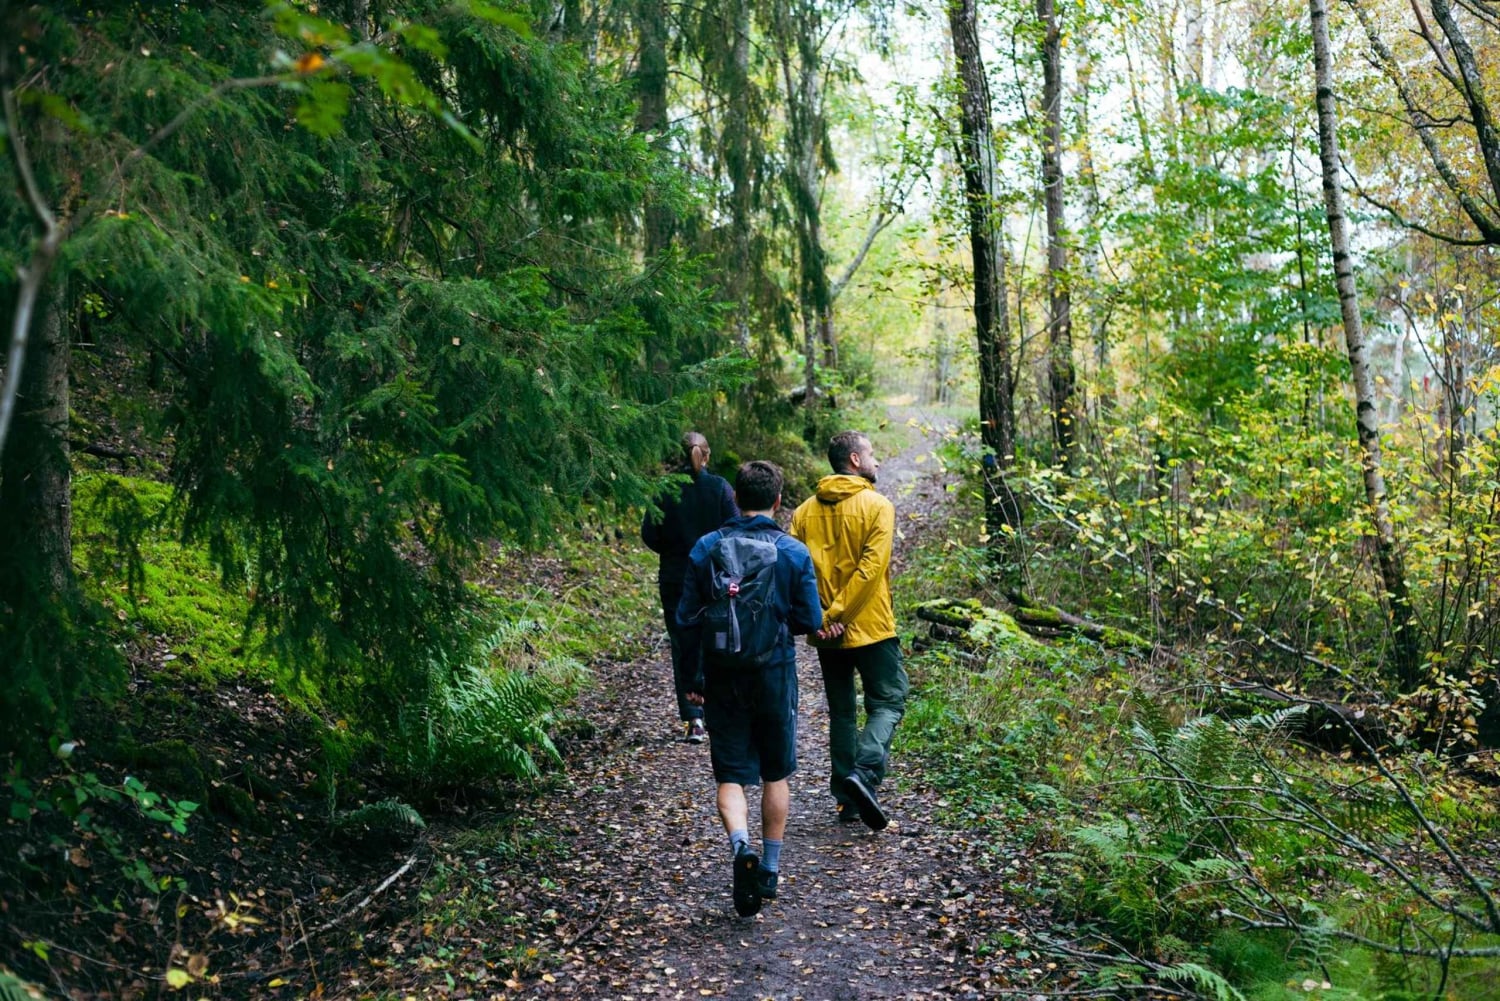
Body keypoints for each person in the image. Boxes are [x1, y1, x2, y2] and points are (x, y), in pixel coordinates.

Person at [677, 460, 823, 916]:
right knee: (775, 774)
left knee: (731, 775)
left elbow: (686, 621)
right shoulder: (794, 553)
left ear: (735, 498)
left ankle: (741, 848)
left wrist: (693, 682)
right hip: (774, 673)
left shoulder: (705, 549)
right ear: (778, 502)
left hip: (722, 676)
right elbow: (809, 621)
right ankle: (771, 869)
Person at [790, 430, 908, 832]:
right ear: (855, 460)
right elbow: (870, 571)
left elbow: (795, 571)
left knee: (842, 712)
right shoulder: (878, 506)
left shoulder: (804, 512)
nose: (877, 462)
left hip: (827, 634)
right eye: (872, 454)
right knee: (889, 701)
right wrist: (838, 614)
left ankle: (847, 800)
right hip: (872, 626)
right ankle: (866, 772)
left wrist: (819, 618)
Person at [642, 432, 739, 743]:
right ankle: (718, 711)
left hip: (675, 576)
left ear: (676, 457)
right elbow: (734, 529)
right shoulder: (721, 488)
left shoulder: (663, 489)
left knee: (683, 644)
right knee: (718, 639)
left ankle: (694, 719)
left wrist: (672, 551)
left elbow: (649, 533)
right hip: (714, 577)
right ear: (706, 456)